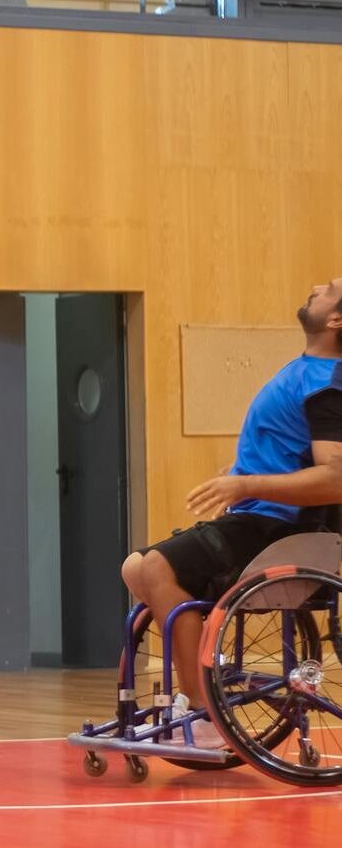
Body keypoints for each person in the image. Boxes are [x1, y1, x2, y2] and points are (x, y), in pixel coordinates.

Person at [122, 277, 342, 735]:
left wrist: (244, 485)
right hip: (257, 518)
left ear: (335, 319)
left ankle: (202, 711)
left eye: (330, 289)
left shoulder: (327, 386)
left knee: (160, 567)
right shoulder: (306, 370)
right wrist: (241, 473)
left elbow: (334, 478)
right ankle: (209, 658)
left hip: (282, 528)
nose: (318, 286)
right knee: (135, 567)